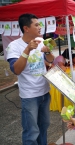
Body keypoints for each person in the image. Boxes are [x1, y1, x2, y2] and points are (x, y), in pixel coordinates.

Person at [6, 13, 55, 145]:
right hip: (29, 96)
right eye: (37, 25)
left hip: (44, 92)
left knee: (44, 127)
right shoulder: (14, 46)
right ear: (26, 28)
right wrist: (27, 49)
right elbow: (16, 69)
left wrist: (48, 52)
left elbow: (50, 60)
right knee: (31, 131)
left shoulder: (40, 41)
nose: (40, 27)